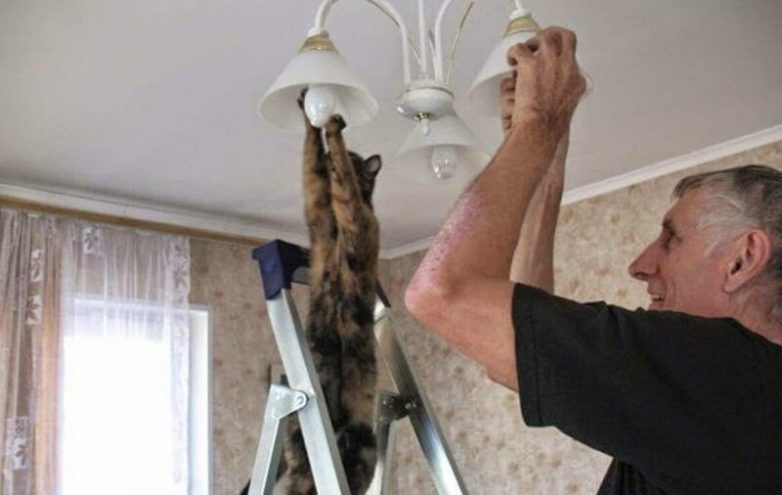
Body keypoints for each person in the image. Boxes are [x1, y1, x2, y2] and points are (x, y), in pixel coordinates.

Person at [404, 26, 782, 494]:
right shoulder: (728, 403)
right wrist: (545, 171)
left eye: (671, 239)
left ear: (743, 260)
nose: (640, 264)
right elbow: (509, 356)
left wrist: (538, 124)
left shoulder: (722, 374)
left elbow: (443, 292)